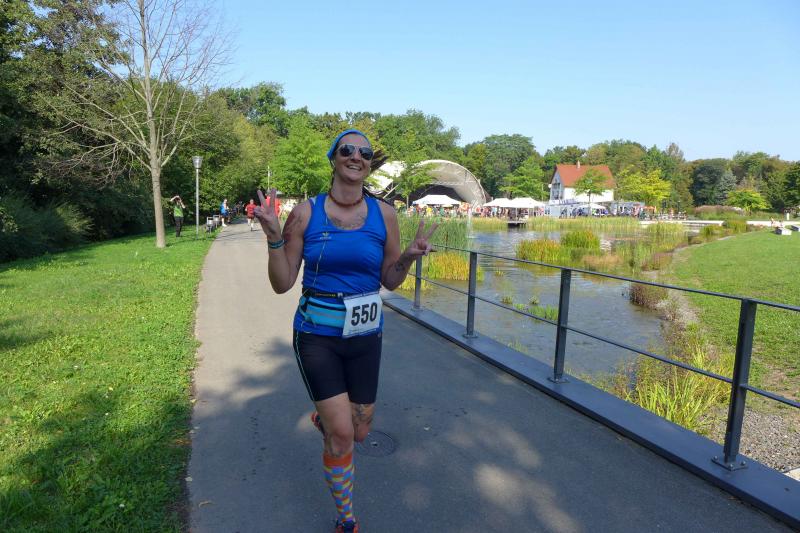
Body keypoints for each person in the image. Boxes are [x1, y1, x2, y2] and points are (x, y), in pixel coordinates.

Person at [254, 129, 437, 533]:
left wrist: (408, 257)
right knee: (342, 436)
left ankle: (327, 418)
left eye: (365, 152)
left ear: (369, 163)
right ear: (334, 158)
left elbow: (390, 280)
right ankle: (346, 518)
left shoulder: (384, 215)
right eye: (347, 150)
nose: (357, 156)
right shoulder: (306, 213)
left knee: (361, 430)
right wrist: (273, 237)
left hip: (366, 336)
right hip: (316, 335)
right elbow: (282, 283)